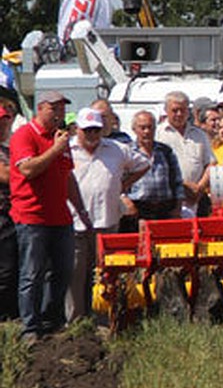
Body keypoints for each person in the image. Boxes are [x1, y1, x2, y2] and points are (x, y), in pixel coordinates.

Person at [9, 91, 91, 341]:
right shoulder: (25, 135)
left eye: (62, 109)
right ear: (41, 108)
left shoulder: (61, 140)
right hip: (32, 216)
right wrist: (56, 149)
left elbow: (67, 178)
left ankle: (52, 320)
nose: (59, 114)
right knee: (31, 273)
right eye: (54, 109)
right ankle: (30, 327)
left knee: (63, 270)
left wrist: (81, 210)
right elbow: (27, 169)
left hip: (60, 217)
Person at [68, 107, 151, 322]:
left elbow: (144, 164)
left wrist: (123, 185)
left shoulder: (117, 149)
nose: (92, 135)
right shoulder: (67, 149)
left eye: (96, 130)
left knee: (104, 272)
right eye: (87, 131)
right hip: (75, 221)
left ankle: (104, 318)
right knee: (76, 274)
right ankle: (76, 320)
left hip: (107, 220)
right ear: (78, 130)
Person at [157, 91, 214, 218]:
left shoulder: (199, 135)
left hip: (198, 200)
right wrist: (185, 186)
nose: (179, 114)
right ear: (166, 110)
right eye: (175, 110)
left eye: (183, 110)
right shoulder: (159, 134)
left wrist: (199, 188)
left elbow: (210, 163)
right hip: (171, 199)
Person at [125, 110, 185, 227]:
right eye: (142, 128)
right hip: (138, 209)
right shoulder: (127, 152)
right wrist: (126, 202)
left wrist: (177, 208)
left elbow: (177, 182)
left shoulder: (165, 151)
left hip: (165, 210)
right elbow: (118, 182)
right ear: (134, 129)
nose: (147, 131)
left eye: (150, 127)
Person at [0, 104, 18, 320]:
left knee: (13, 268)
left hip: (15, 213)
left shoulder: (9, 149)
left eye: (5, 121)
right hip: (2, 214)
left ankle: (12, 315)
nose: (3, 125)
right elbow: (6, 176)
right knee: (4, 270)